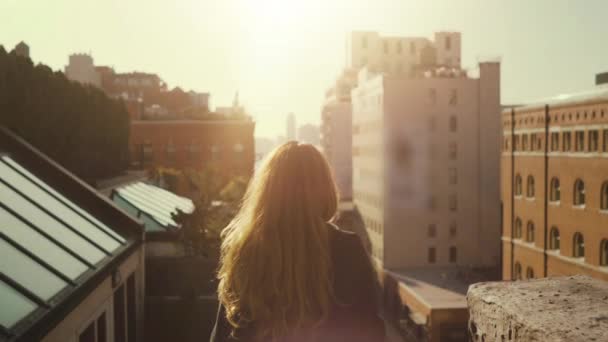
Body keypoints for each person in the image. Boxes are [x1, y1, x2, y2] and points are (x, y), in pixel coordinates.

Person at [210, 142, 385, 342]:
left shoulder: (247, 251)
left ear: (267, 191)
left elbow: (223, 334)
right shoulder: (346, 250)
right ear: (324, 189)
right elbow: (371, 332)